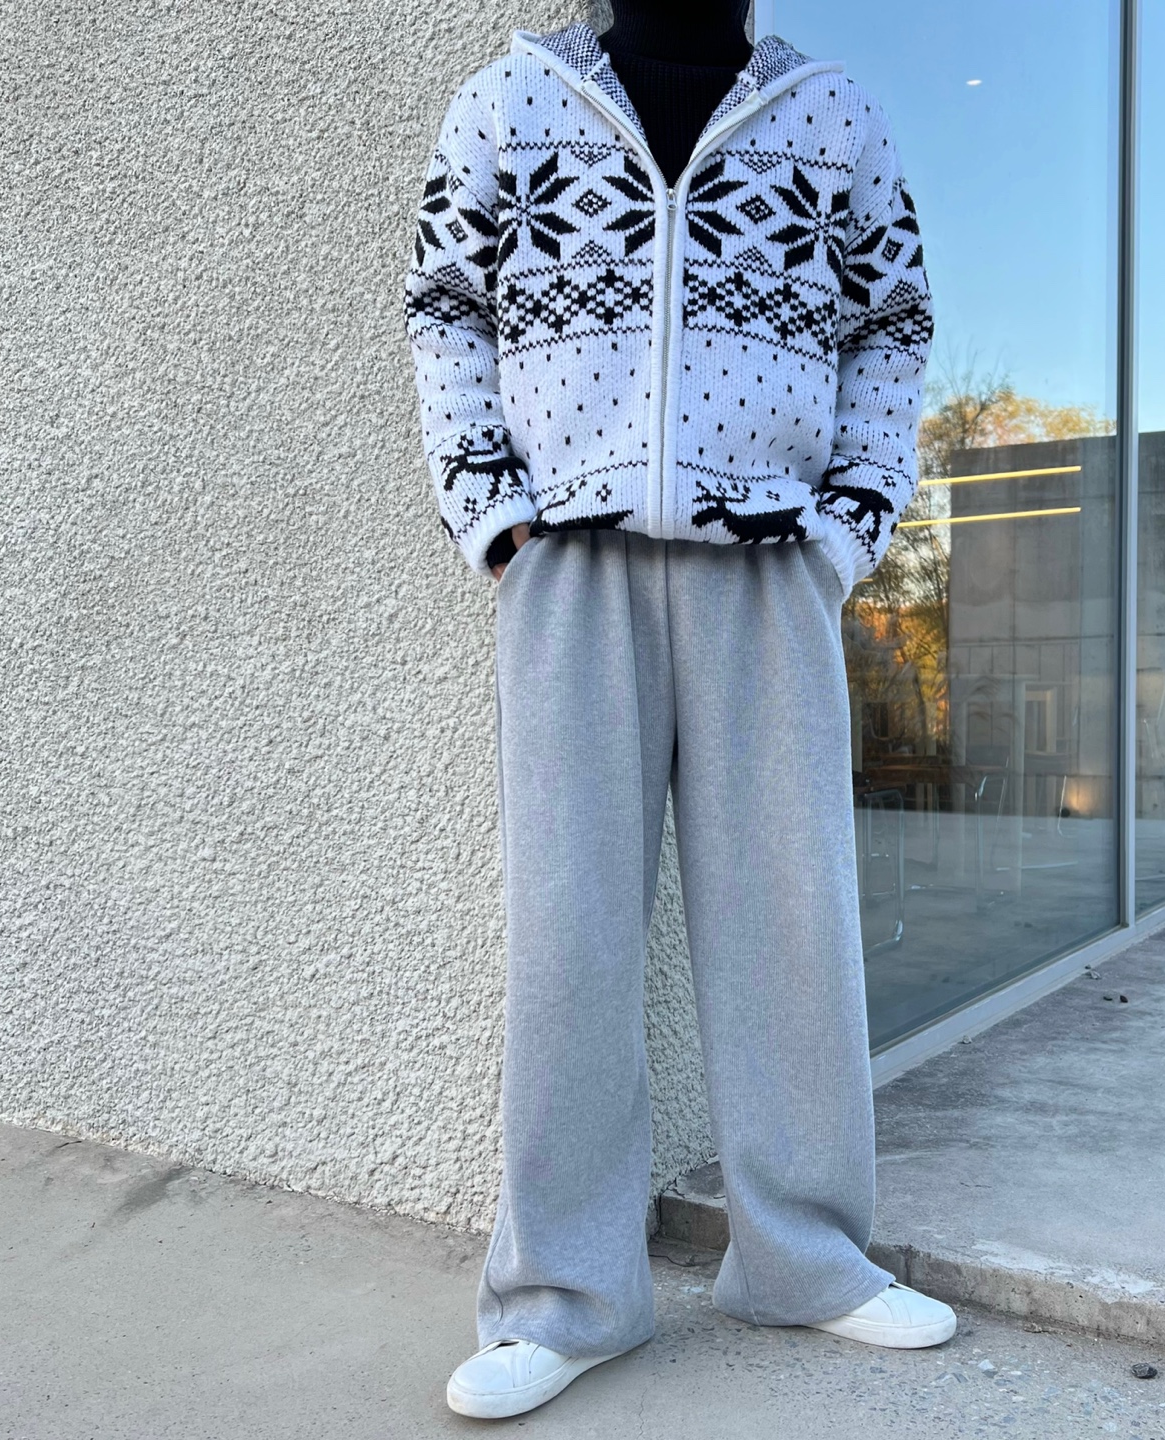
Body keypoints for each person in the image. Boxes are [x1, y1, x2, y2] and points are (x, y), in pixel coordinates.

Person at [402, 0, 952, 1420]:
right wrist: (492, 515)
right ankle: (566, 1299)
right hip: (570, 564)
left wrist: (844, 531)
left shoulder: (833, 115)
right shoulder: (508, 104)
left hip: (768, 564)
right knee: (569, 934)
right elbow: (444, 308)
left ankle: (805, 1263)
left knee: (792, 923)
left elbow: (893, 328)